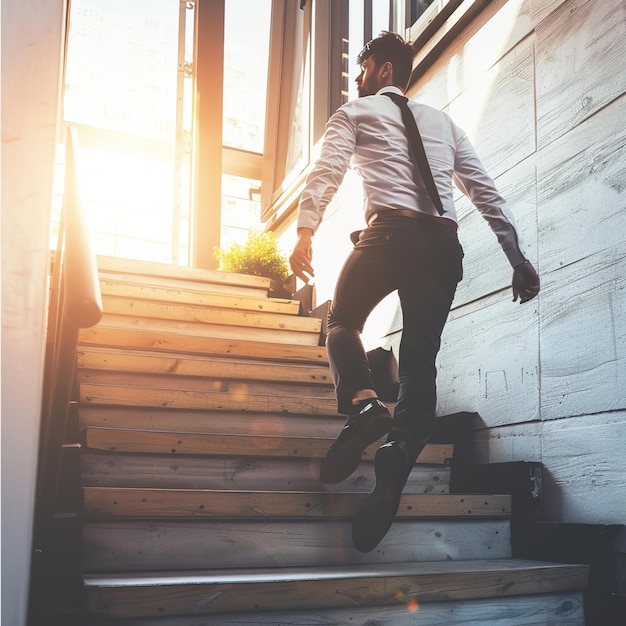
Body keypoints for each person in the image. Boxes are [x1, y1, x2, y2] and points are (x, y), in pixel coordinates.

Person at [289, 32, 540, 553]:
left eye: (360, 71)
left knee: (342, 321)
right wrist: (517, 258)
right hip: (442, 248)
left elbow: (327, 170)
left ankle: (362, 405)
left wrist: (305, 230)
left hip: (387, 236)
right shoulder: (446, 124)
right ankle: (400, 450)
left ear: (383, 71)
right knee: (420, 357)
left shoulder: (354, 115)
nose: (355, 82)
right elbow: (485, 191)